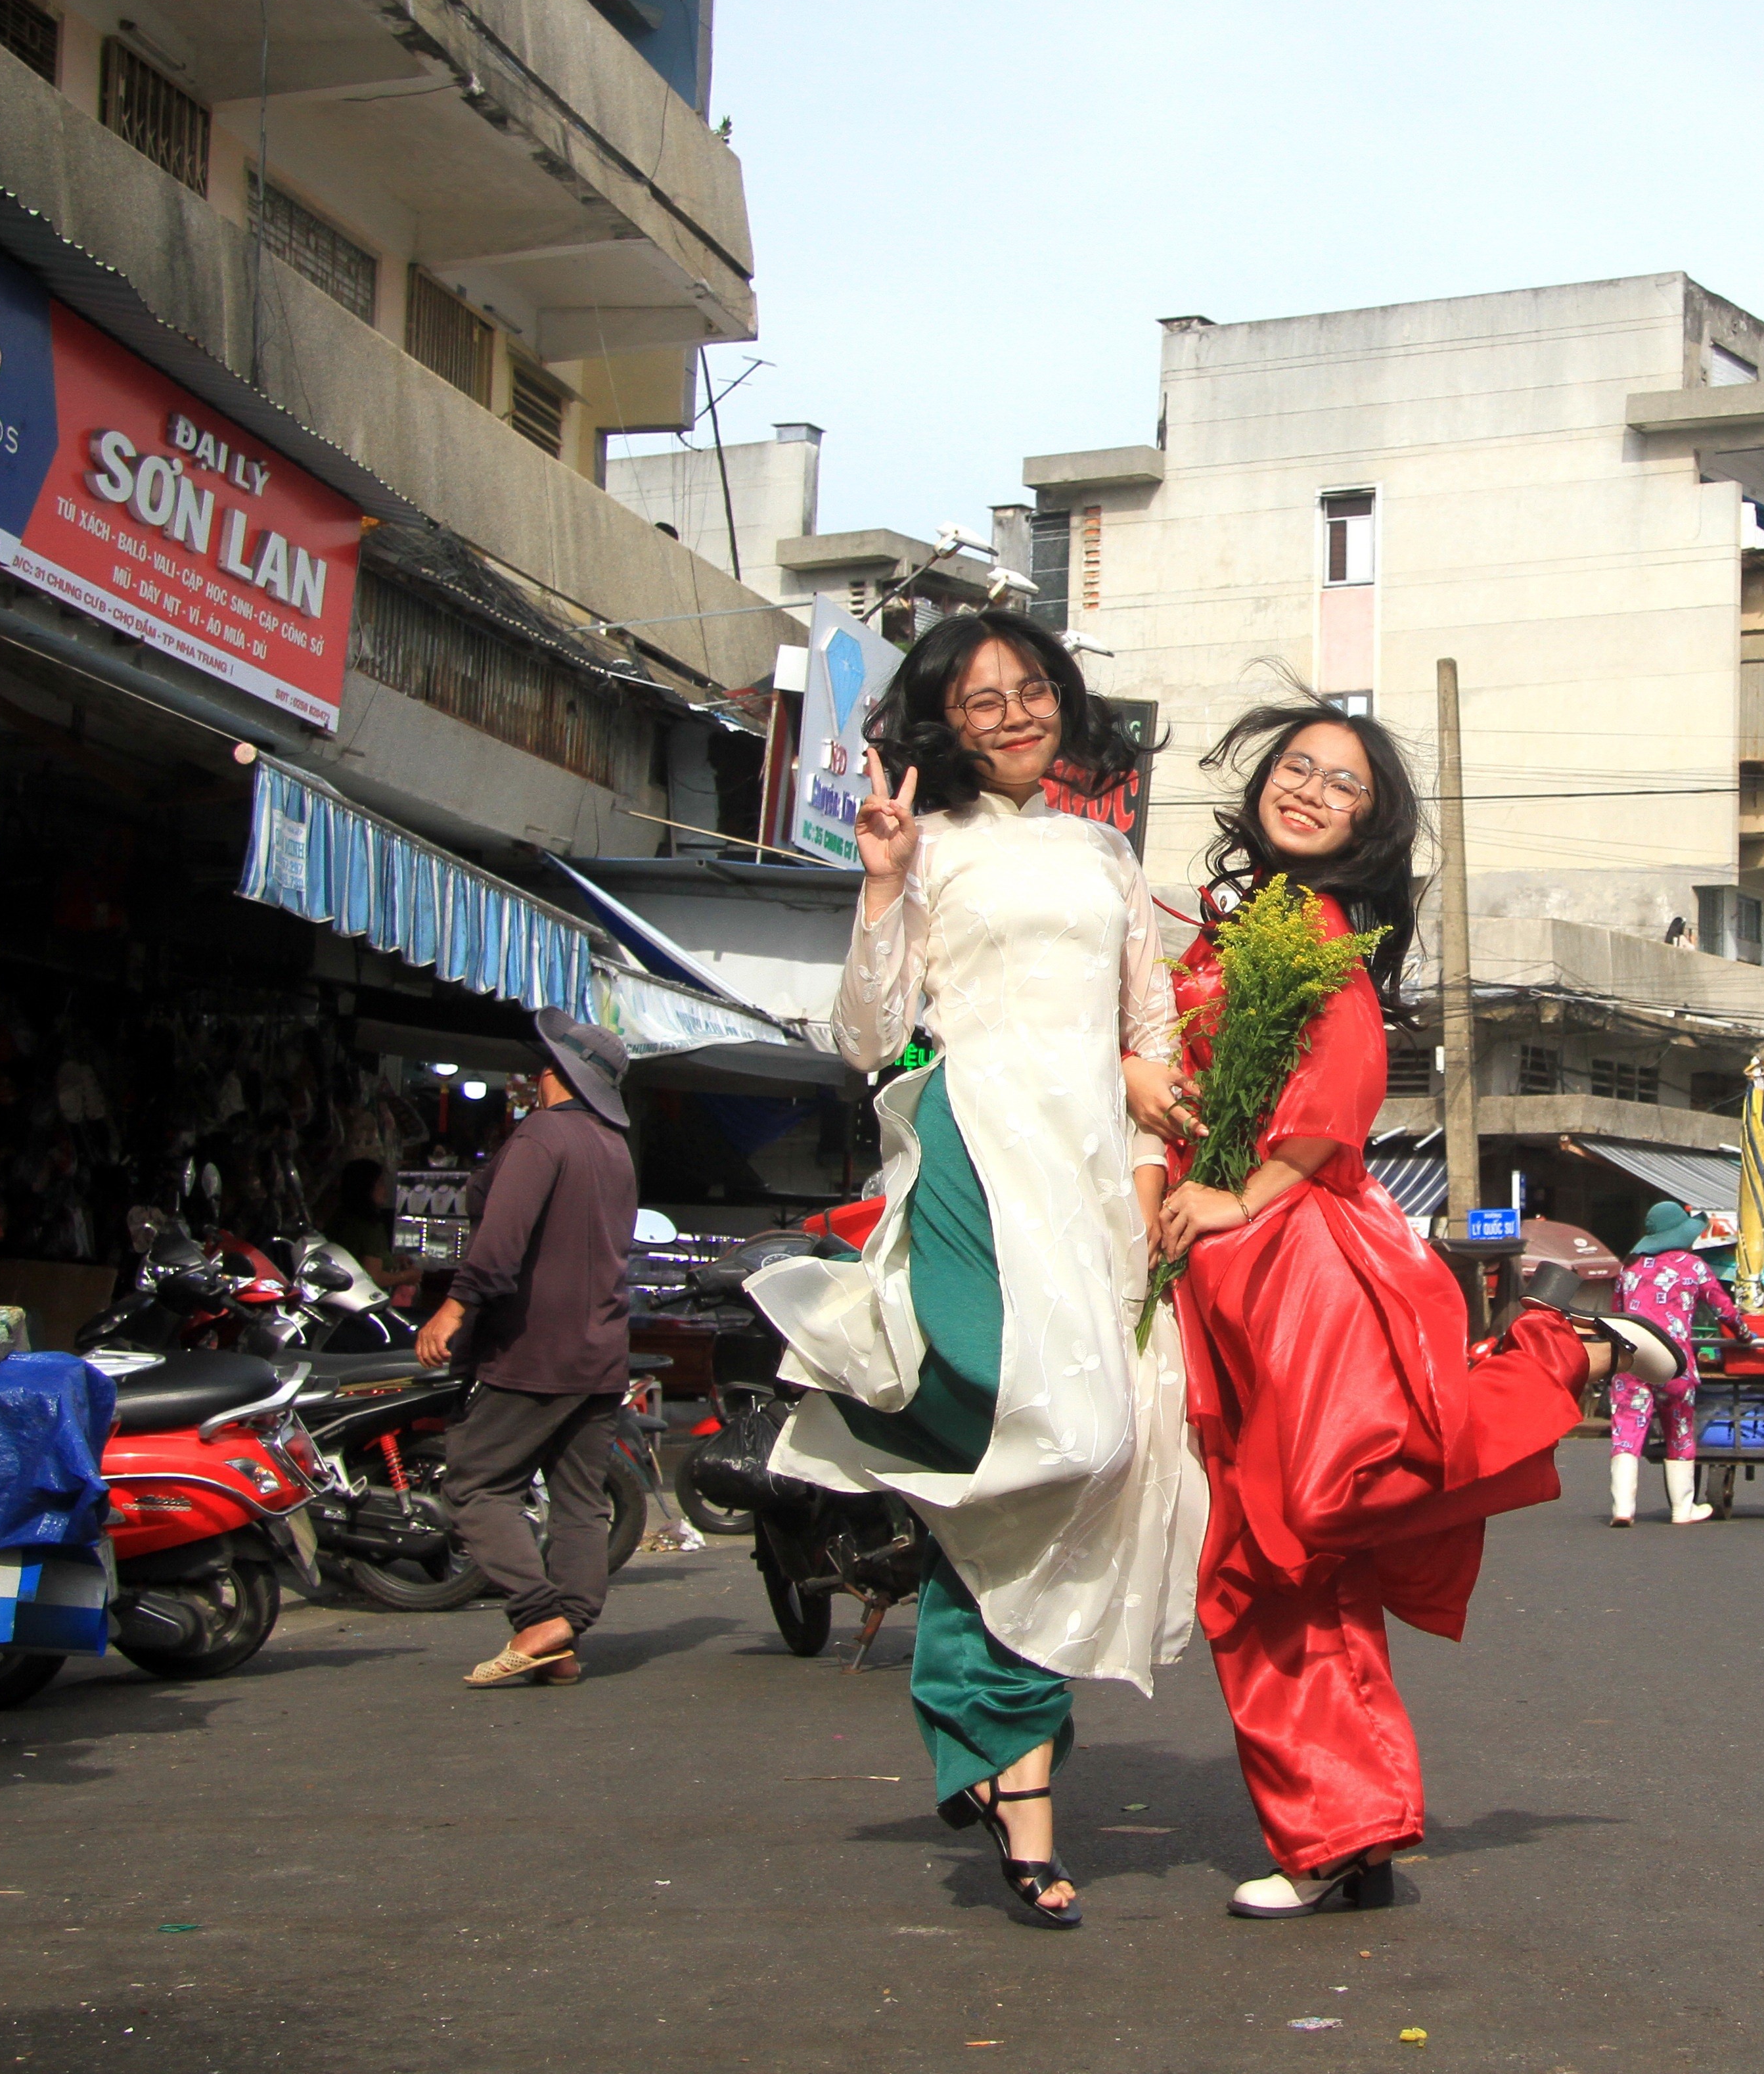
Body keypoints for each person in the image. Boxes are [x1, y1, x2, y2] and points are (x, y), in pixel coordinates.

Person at [1151, 695, 1670, 1918]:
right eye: (1297, 769)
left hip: (1296, 1254)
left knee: (1341, 1490)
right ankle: (1341, 1831)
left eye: (1344, 786)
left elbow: (1343, 1086)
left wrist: (1244, 1190)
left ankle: (1568, 1352)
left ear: (1365, 830)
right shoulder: (1236, 928)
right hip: (1215, 1268)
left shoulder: (1324, 933)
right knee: (1272, 1565)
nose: (1311, 792)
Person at [750, 610, 1201, 1931]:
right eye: (978, 697)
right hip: (974, 1145)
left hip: (1090, 1168)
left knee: (1102, 1451)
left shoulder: (1106, 850)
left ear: (1063, 704)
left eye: (1031, 690)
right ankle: (999, 1748)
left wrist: (1157, 1182)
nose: (1010, 713)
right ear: (939, 721)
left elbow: (1149, 1026)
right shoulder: (925, 843)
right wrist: (883, 886)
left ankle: (1000, 1757)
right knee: (1042, 1433)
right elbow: (868, 1037)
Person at [413, 1008, 639, 1688]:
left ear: (557, 1076)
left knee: (477, 1484)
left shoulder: (544, 1137)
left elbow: (499, 1239)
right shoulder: (613, 1147)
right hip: (600, 1352)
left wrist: (454, 1307)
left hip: (536, 1348)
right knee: (579, 1499)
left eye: (539, 1067)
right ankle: (562, 1638)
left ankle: (540, 1615)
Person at [1606, 1203, 1742, 1525]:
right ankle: (1683, 1509)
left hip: (1633, 1363)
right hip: (1674, 1364)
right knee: (1679, 1429)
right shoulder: (1694, 1267)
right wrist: (1746, 1335)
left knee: (1626, 1434)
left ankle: (1622, 1509)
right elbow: (1724, 1310)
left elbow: (1616, 1315)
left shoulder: (1630, 1271)